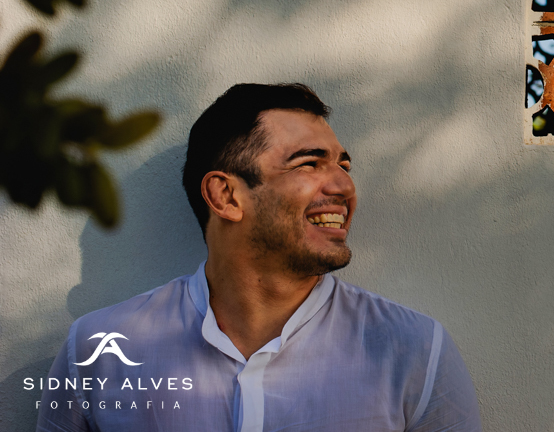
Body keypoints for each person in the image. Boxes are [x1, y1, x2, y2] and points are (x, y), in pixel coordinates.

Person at [38, 83, 481, 432]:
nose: (345, 188)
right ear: (226, 195)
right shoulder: (99, 351)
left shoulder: (413, 350)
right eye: (309, 163)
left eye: (343, 166)